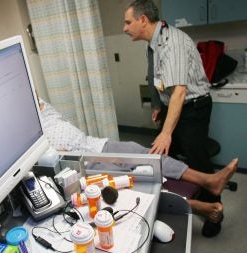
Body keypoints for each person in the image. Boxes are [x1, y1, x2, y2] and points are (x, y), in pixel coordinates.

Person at [39, 98, 238, 236]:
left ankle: (209, 180)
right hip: (76, 163)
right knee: (130, 184)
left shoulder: (43, 107)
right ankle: (195, 207)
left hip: (95, 145)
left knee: (143, 152)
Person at [123, 0, 222, 236]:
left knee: (197, 161)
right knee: (161, 157)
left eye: (128, 22)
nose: (125, 28)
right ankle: (172, 203)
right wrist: (157, 104)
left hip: (193, 108)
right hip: (173, 106)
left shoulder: (173, 42)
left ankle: (214, 213)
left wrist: (166, 133)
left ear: (143, 20)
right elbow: (154, 77)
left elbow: (179, 91)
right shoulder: (153, 44)